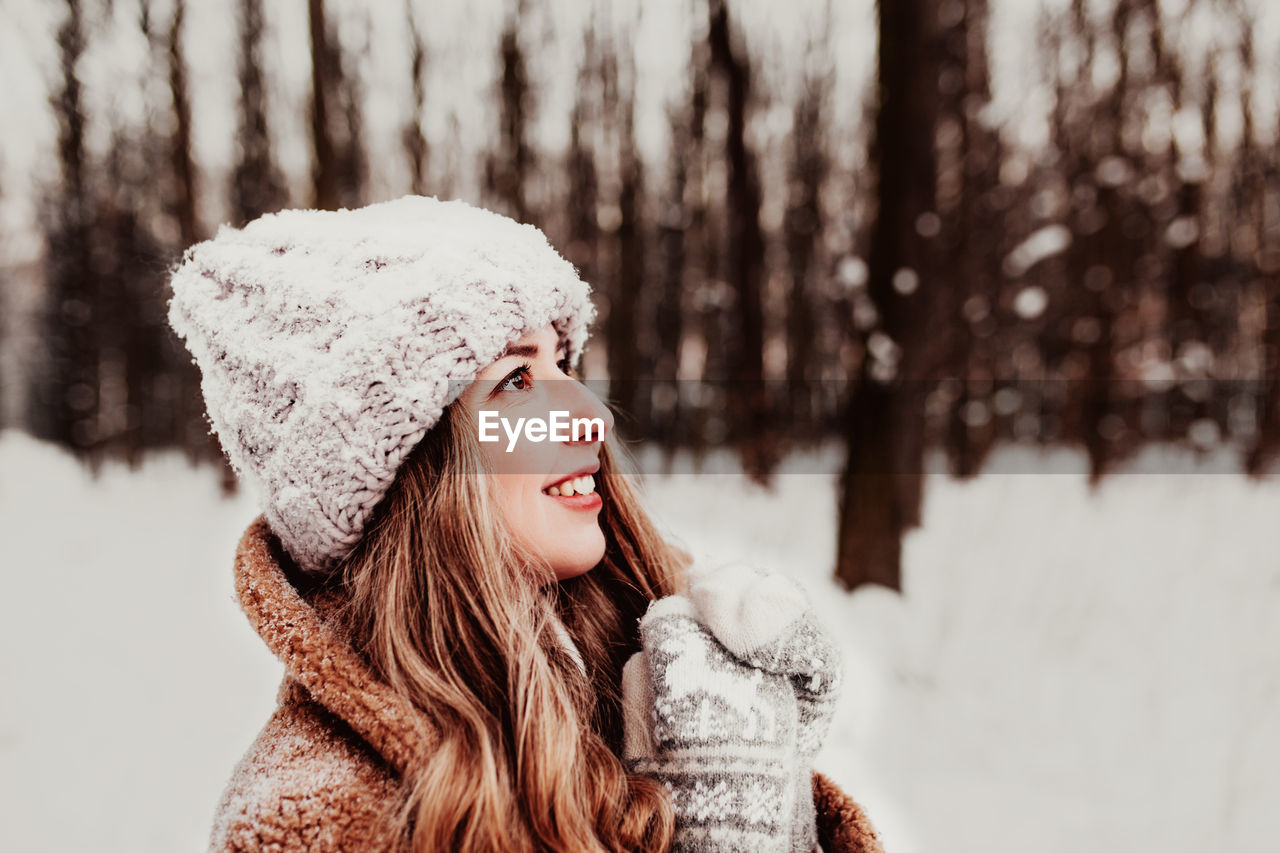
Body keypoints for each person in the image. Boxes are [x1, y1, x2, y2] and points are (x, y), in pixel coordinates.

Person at [168, 195, 884, 852]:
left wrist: (782, 809)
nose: (594, 418)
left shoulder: (652, 674)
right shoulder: (316, 820)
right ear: (411, 470)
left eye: (563, 365)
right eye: (516, 380)